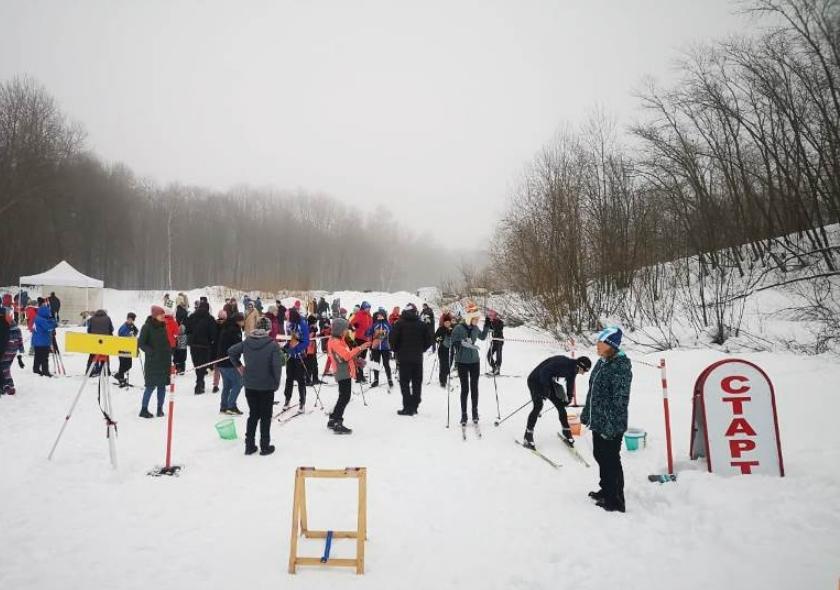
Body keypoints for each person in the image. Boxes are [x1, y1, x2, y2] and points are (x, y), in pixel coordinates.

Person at [581, 327, 632, 513]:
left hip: (611, 424)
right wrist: (587, 413)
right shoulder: (601, 362)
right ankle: (606, 489)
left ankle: (615, 500)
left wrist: (610, 425)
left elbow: (620, 400)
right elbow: (592, 391)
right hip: (598, 420)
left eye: (600, 343)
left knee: (610, 460)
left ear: (610, 345)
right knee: (600, 455)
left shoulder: (620, 367)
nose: (596, 345)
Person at [228, 317, 285, 456]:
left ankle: (249, 445)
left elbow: (231, 351)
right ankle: (264, 446)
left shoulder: (247, 341)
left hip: (250, 384)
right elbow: (277, 366)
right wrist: (276, 383)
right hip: (266, 386)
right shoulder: (272, 345)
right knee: (265, 416)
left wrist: (239, 366)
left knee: (253, 414)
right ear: (268, 329)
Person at [522, 355, 592, 450]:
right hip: (535, 380)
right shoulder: (564, 364)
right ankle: (528, 435)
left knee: (560, 405)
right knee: (538, 406)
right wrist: (545, 389)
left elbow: (570, 383)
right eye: (585, 370)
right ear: (581, 366)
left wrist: (569, 397)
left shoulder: (573, 369)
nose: (584, 373)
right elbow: (544, 371)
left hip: (547, 380)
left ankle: (566, 431)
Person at [326, 318, 371, 434]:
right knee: (345, 397)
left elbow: (347, 355)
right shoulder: (335, 342)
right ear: (340, 330)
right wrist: (361, 347)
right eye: (345, 329)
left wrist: (356, 361)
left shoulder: (339, 340)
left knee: (343, 396)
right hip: (342, 371)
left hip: (344, 370)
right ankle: (337, 422)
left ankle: (333, 419)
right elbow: (346, 356)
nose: (347, 331)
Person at [450, 304, 490, 426]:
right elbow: (453, 341)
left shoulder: (475, 328)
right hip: (462, 362)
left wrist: (487, 325)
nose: (477, 321)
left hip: (474, 362)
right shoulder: (458, 328)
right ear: (469, 318)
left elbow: (482, 337)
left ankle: (475, 413)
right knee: (465, 389)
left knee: (474, 387)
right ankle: (464, 414)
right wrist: (460, 343)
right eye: (475, 319)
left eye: (478, 319)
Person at [390, 303, 432, 415]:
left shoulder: (399, 324)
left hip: (403, 358)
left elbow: (392, 340)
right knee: (417, 381)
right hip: (417, 358)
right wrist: (422, 349)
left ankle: (408, 406)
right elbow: (429, 340)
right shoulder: (421, 324)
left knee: (404, 382)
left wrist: (396, 350)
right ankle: (415, 403)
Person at [137, 306, 172, 418]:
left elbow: (165, 342)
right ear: (155, 315)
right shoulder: (147, 327)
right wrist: (151, 352)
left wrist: (170, 351)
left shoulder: (163, 326)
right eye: (161, 314)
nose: (163, 316)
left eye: (163, 314)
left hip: (163, 361)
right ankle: (143, 409)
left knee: (162, 386)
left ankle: (159, 409)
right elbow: (141, 343)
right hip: (152, 362)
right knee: (150, 386)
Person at [184, 301, 217, 394]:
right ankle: (199, 383)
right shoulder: (210, 319)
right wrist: (212, 341)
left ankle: (200, 382)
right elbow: (213, 333)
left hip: (193, 345)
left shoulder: (192, 317)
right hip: (205, 345)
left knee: (197, 364)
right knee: (203, 364)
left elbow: (187, 330)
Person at [216, 312, 245, 414]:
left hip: (221, 361)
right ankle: (231, 405)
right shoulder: (235, 331)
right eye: (242, 320)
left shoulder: (226, 327)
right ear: (238, 321)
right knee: (239, 382)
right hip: (229, 362)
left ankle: (223, 406)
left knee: (227, 385)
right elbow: (237, 347)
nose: (243, 322)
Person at [282, 308, 309, 409]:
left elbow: (306, 341)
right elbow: (290, 338)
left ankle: (302, 402)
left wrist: (297, 349)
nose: (287, 318)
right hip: (291, 356)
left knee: (300, 379)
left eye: (288, 316)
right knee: (289, 378)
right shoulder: (289, 324)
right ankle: (287, 399)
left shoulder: (302, 324)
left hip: (300, 355)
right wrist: (286, 347)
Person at [366, 308, 393, 388]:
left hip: (385, 347)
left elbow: (392, 333)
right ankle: (376, 380)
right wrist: (368, 331)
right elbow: (368, 333)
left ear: (384, 315)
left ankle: (389, 379)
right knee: (376, 363)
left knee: (386, 364)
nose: (380, 316)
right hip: (376, 347)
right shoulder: (375, 324)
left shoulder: (387, 324)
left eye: (381, 314)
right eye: (378, 315)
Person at [1, 308, 25, 395]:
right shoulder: (16, 326)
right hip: (13, 350)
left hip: (7, 349)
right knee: (6, 367)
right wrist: (21, 350)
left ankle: (9, 386)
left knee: (4, 368)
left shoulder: (5, 325)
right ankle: (6, 385)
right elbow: (20, 339)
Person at [85, 309, 114, 376]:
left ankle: (90, 371)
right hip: (105, 341)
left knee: (92, 355)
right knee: (105, 355)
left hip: (94, 341)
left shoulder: (92, 319)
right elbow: (111, 329)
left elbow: (89, 330)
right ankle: (105, 371)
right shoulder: (107, 318)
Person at [350, 301, 373, 383]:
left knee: (363, 357)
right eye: (367, 308)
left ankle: (360, 374)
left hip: (366, 339)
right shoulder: (359, 314)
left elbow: (371, 326)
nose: (368, 309)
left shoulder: (369, 315)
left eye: (369, 308)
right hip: (359, 338)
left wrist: (370, 335)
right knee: (359, 357)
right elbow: (351, 323)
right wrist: (355, 326)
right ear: (363, 307)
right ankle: (359, 375)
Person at [114, 312, 139, 388]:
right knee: (122, 365)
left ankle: (118, 375)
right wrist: (129, 336)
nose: (130, 320)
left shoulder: (132, 326)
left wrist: (133, 334)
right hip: (122, 348)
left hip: (128, 349)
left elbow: (136, 331)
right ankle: (120, 378)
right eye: (129, 319)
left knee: (129, 365)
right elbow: (121, 335)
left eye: (131, 320)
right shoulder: (123, 327)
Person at [32, 304, 56, 377]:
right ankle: (45, 371)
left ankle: (36, 369)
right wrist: (53, 322)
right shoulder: (41, 320)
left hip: (37, 341)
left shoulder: (37, 318)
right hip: (43, 342)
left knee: (38, 356)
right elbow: (48, 328)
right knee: (44, 357)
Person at [434, 312, 454, 387]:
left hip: (450, 350)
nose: (447, 324)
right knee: (443, 365)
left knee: (448, 365)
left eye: (448, 322)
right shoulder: (440, 329)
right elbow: (435, 337)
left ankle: (446, 376)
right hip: (442, 349)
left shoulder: (452, 329)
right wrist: (439, 339)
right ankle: (442, 381)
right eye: (446, 322)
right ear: (444, 322)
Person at [485, 310, 505, 375]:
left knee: (498, 355)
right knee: (489, 355)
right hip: (493, 341)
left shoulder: (500, 322)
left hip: (499, 341)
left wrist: (492, 326)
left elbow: (498, 329)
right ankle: (494, 367)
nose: (491, 317)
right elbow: (486, 328)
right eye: (490, 316)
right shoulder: (491, 322)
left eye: (491, 316)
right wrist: (487, 322)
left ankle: (498, 368)